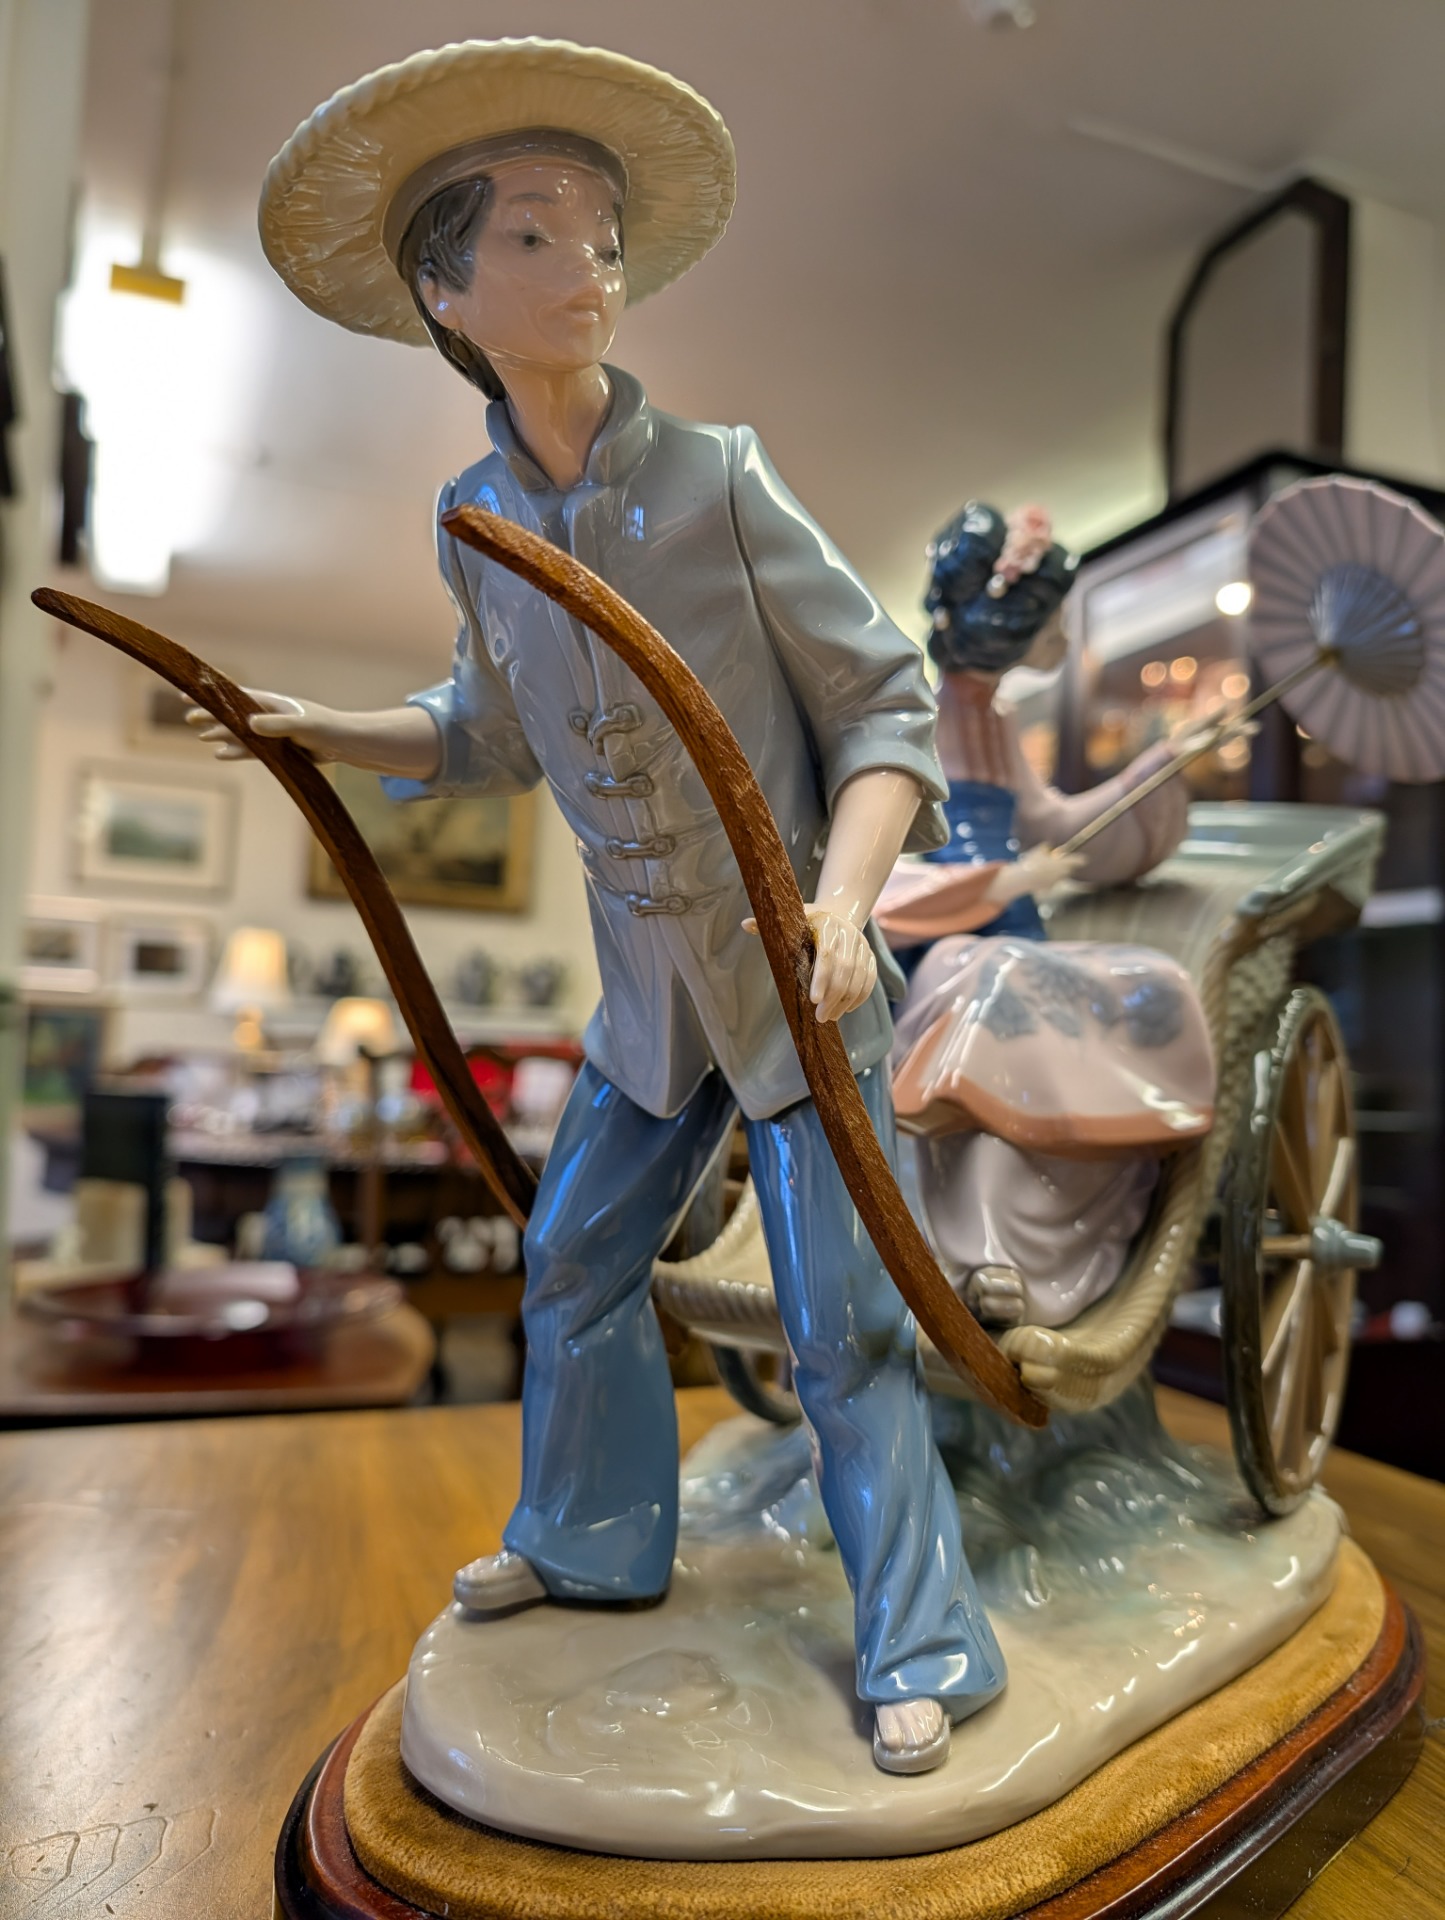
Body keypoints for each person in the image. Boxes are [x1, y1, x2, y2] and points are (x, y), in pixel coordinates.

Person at [195, 39, 1003, 1775]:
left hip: (792, 981)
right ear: (447, 291)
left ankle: (923, 1640)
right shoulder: (473, 520)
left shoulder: (722, 478)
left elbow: (885, 708)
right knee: (569, 1260)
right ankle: (589, 1540)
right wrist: (314, 727)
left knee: (841, 1319)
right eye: (538, 240)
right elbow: (485, 728)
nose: (591, 273)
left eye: (606, 242)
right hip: (646, 997)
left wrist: (844, 908)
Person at [875, 504, 1216, 1330]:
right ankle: (976, 1246)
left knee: (1137, 980)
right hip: (936, 942)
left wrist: (1157, 766)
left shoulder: (994, 721)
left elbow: (1054, 824)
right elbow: (874, 874)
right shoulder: (903, 713)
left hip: (1011, 929)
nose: (1060, 637)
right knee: (989, 984)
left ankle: (1064, 1220)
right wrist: (1000, 882)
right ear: (1009, 626)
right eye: (1052, 623)